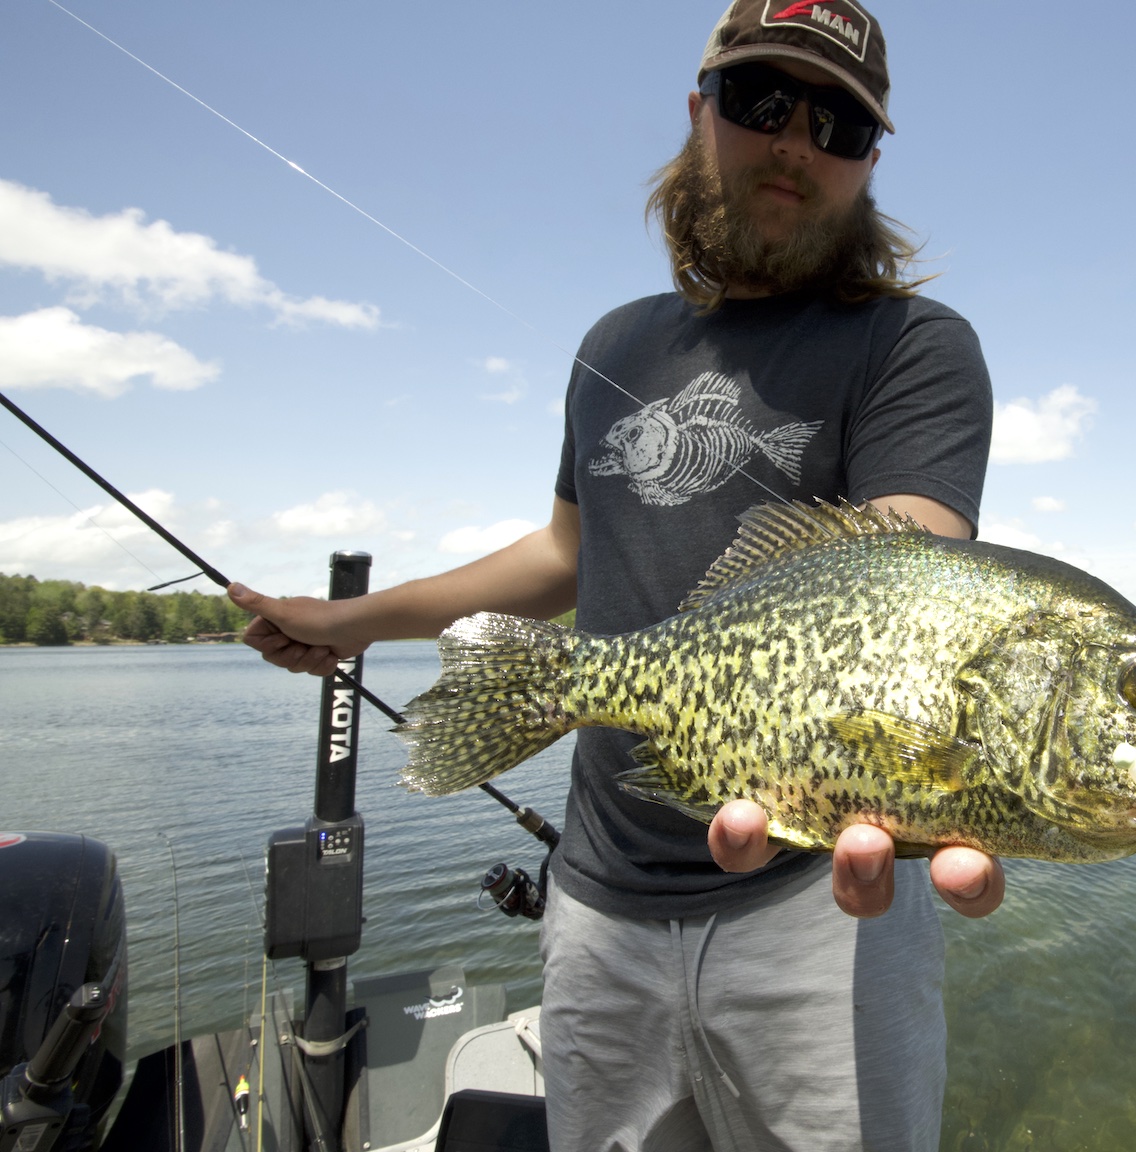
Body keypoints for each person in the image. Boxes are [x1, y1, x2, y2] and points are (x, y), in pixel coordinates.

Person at [230, 2, 1001, 1147]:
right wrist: (358, 621)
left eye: (838, 122)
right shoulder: (613, 346)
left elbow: (904, 566)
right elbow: (564, 555)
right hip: (597, 907)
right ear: (700, 113)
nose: (796, 140)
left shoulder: (913, 345)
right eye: (762, 101)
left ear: (871, 161)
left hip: (820, 901)